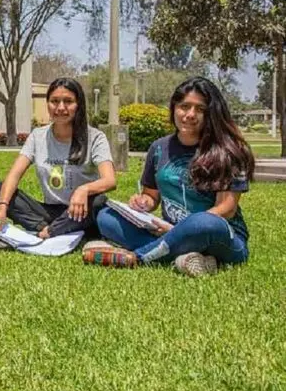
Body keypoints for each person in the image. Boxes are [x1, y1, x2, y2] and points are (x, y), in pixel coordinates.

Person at [85, 77, 254, 277]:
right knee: (106, 216)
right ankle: (186, 256)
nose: (190, 114)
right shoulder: (159, 148)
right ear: (174, 108)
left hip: (221, 236)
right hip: (167, 230)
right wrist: (143, 202)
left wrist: (179, 230)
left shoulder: (229, 151)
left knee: (204, 223)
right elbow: (151, 196)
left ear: (211, 113)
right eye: (184, 106)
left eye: (200, 109)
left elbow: (226, 209)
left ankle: (137, 257)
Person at [0, 77, 116, 239]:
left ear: (79, 105)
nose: (60, 107)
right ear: (47, 103)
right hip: (50, 212)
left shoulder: (95, 137)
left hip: (81, 210)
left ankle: (52, 232)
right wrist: (2, 207)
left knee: (98, 201)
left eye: (68, 101)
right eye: (54, 101)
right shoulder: (37, 136)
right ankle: (50, 228)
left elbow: (110, 180)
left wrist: (83, 190)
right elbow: (14, 175)